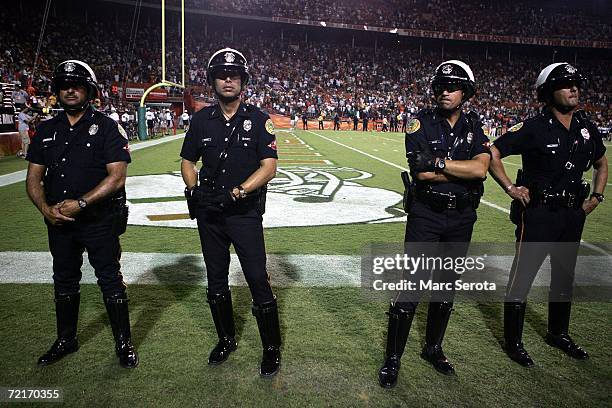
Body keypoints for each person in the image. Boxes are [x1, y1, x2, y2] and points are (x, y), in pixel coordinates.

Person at [378, 60, 491, 388]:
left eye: (452, 86)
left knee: (446, 287)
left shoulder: (474, 124)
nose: (445, 91)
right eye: (440, 86)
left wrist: (441, 162)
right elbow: (422, 173)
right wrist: (461, 167)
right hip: (426, 214)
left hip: (462, 216)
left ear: (466, 92)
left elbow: (481, 169)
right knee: (411, 286)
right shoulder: (420, 124)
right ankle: (393, 358)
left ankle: (433, 348)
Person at [489, 62, 607, 367]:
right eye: (565, 84)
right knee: (522, 277)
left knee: (564, 278)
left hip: (573, 214)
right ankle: (514, 342)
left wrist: (596, 196)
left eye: (576, 83)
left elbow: (601, 162)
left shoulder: (586, 126)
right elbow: (493, 152)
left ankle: (558, 334)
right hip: (539, 212)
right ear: (547, 91)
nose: (574, 88)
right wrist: (511, 188)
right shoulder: (533, 127)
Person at [25, 60, 137, 368]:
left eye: (76, 85)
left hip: (99, 220)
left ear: (89, 90)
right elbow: (33, 178)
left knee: (110, 279)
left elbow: (117, 177)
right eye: (64, 86)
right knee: (63, 280)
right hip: (59, 222)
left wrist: (83, 203)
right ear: (56, 92)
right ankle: (66, 340)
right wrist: (45, 209)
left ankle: (123, 343)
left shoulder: (107, 127)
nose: (70, 90)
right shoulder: (46, 130)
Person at [180, 48, 281, 378]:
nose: (228, 79)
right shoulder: (200, 120)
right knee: (216, 278)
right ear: (213, 81)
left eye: (234, 75)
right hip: (210, 214)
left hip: (243, 213)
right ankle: (226, 339)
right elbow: (187, 160)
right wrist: (193, 189)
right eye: (222, 75)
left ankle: (271, 348)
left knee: (256, 277)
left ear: (243, 81)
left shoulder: (259, 119)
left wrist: (241, 190)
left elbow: (269, 167)